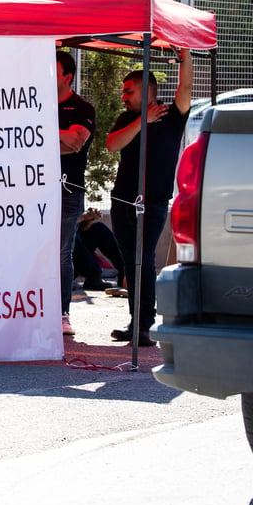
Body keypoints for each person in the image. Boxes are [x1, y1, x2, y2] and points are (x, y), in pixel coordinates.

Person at [107, 49, 192, 347]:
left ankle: (145, 324)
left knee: (142, 260)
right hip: (122, 202)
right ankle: (136, 322)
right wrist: (142, 120)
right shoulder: (126, 118)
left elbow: (186, 89)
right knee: (130, 262)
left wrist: (185, 53)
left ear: (147, 91)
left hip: (152, 203)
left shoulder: (171, 117)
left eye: (129, 91)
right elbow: (112, 145)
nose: (123, 97)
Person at [55, 50, 96, 336]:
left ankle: (61, 313)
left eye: (52, 70)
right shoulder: (31, 102)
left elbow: (75, 142)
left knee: (61, 252)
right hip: (33, 188)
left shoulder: (82, 107)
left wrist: (39, 133)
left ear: (68, 76)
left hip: (68, 190)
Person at [73, 208, 125, 291]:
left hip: (77, 256)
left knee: (99, 229)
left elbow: (81, 229)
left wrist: (90, 219)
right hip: (62, 255)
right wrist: (83, 217)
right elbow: (62, 225)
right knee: (73, 237)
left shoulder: (77, 197)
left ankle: (124, 274)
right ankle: (94, 274)